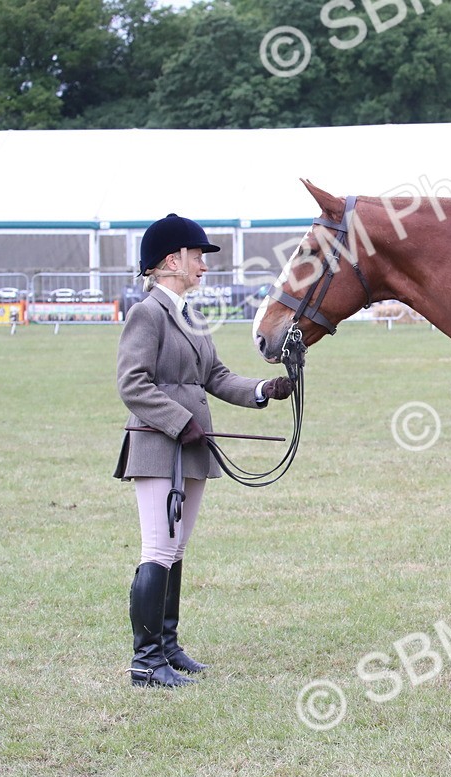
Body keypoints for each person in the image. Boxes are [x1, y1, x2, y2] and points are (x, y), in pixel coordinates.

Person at [113, 213, 293, 688]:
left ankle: (167, 647)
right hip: (158, 446)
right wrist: (177, 420)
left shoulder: (191, 315)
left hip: (192, 446)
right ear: (172, 261)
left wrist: (264, 390)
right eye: (197, 256)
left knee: (175, 549)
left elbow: (213, 376)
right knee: (158, 547)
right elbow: (132, 384)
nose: (204, 265)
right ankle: (145, 662)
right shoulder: (146, 313)